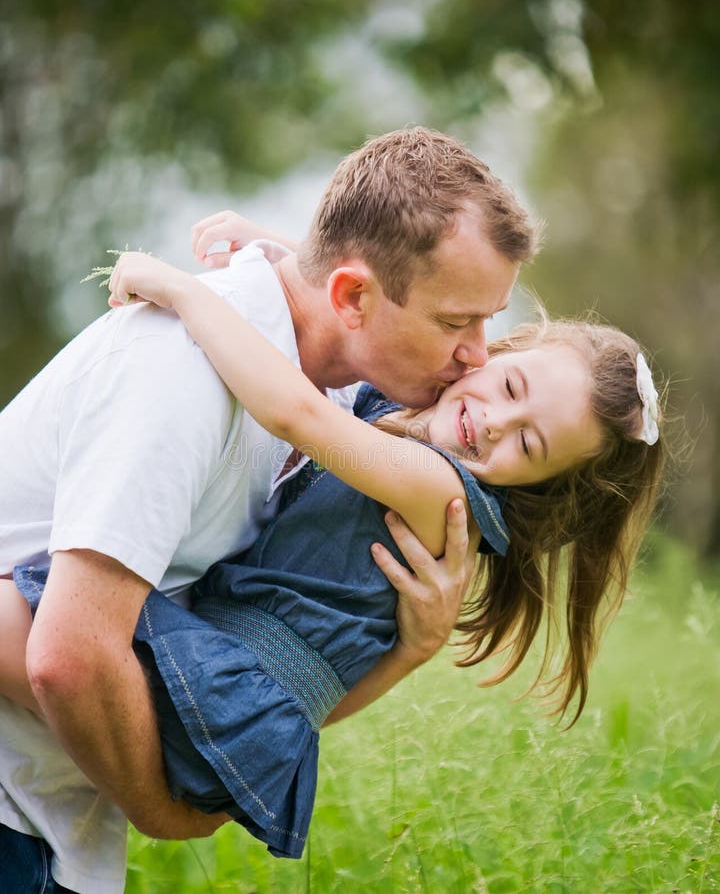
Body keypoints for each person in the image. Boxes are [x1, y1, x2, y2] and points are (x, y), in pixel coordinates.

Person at [0, 127, 540, 893]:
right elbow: (70, 655)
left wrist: (409, 650)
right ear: (353, 295)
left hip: (56, 815)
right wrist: (168, 811)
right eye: (457, 323)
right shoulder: (178, 371)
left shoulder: (344, 392)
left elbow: (271, 670)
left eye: (489, 320)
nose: (479, 355)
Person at [3, 248, 663, 864]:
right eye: (513, 390)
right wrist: (272, 249)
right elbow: (382, 297)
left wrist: (182, 291)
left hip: (221, 699)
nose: (496, 424)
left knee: (45, 626)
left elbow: (297, 416)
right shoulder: (410, 414)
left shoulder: (438, 491)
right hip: (236, 689)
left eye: (529, 446)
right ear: (491, 351)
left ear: (534, 485)